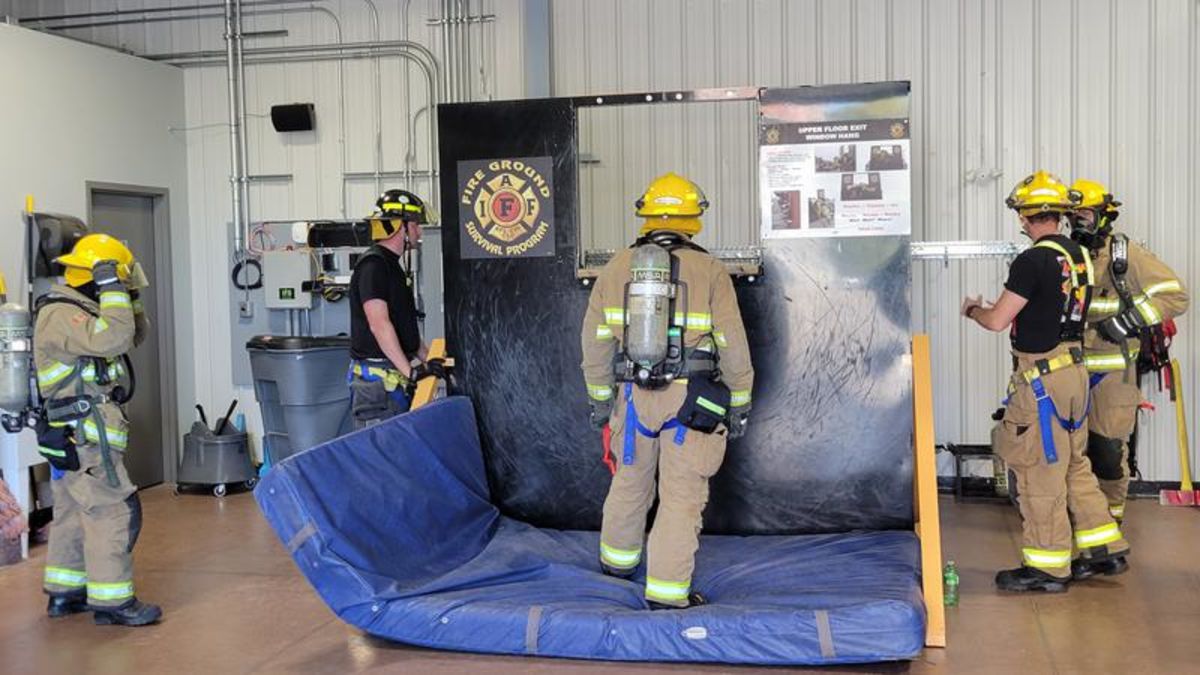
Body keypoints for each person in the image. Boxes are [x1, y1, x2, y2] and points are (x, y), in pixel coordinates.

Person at [580, 173, 754, 609]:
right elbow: (733, 345)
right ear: (693, 218)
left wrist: (601, 401)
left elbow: (595, 342)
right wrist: (739, 401)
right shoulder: (711, 270)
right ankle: (667, 593)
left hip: (632, 399)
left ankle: (616, 566)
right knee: (681, 497)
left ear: (645, 215)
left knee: (629, 480)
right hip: (690, 403)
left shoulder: (617, 267)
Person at [962, 171, 1129, 592]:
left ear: (1033, 216)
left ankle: (1049, 566)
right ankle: (1103, 549)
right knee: (1075, 464)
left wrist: (972, 310)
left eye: (1022, 215)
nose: (1020, 222)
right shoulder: (1079, 257)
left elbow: (999, 319)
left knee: (1039, 470)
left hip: (1041, 381)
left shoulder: (1032, 260)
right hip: (1074, 372)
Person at [35, 233, 160, 625]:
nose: (119, 289)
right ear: (94, 274)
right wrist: (110, 285)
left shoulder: (85, 308)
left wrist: (127, 294)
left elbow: (134, 333)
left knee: (73, 510)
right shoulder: (61, 314)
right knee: (110, 509)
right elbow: (116, 337)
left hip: (79, 430)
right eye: (114, 279)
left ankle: (66, 594)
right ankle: (114, 603)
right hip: (84, 433)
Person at [1068, 179, 1189, 531]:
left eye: (1085, 214)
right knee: (1072, 454)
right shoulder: (1066, 255)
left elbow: (1175, 297)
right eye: (1072, 215)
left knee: (1106, 453)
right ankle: (1079, 523)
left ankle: (1109, 525)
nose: (1078, 222)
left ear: (1104, 216)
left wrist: (1128, 321)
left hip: (1112, 372)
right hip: (1068, 370)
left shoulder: (1126, 256)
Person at [347, 189, 442, 428]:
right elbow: (379, 324)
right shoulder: (374, 266)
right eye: (416, 225)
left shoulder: (393, 268)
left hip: (392, 382)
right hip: (378, 389)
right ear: (402, 227)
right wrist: (411, 374)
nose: (419, 232)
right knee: (383, 459)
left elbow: (403, 326)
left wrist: (431, 361)